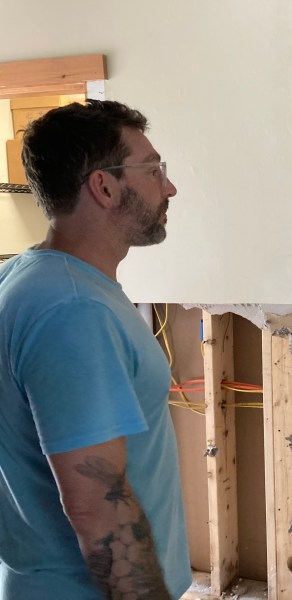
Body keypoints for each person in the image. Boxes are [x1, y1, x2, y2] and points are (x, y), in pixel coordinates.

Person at [0, 100, 190, 599]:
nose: (169, 187)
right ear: (104, 187)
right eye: (154, 171)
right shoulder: (74, 309)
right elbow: (98, 510)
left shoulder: (29, 277)